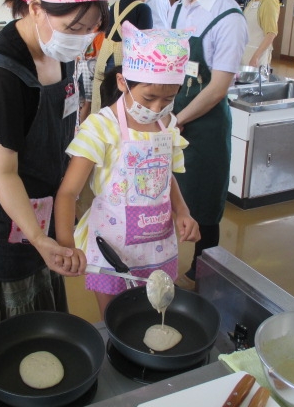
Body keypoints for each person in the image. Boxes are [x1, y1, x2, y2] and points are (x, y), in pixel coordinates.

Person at [0, 0, 109, 367]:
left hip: (43, 203)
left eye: (91, 27)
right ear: (35, 7)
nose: (82, 36)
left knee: (43, 324)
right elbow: (3, 174)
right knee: (4, 344)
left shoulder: (62, 49)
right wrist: (39, 238)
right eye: (74, 27)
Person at [55, 21, 199, 317]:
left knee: (153, 313)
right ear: (123, 82)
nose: (158, 106)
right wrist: (66, 246)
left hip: (157, 243)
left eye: (168, 99)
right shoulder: (101, 127)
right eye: (149, 98)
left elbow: (164, 175)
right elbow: (68, 192)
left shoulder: (167, 124)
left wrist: (182, 212)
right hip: (111, 245)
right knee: (116, 320)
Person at [166, 0, 248, 280]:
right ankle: (160, 264)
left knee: (205, 204)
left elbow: (217, 88)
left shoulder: (229, 19)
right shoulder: (177, 10)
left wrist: (177, 118)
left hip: (205, 128)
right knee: (163, 196)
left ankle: (205, 274)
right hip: (171, 118)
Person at [92, 0, 153, 112]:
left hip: (105, 58)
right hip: (124, 59)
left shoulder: (114, 6)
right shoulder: (143, 9)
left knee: (105, 96)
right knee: (120, 99)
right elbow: (145, 41)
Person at [240, 0, 281, 68]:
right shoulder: (254, 0)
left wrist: (256, 56)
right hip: (245, 53)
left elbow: (271, 33)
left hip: (256, 57)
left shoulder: (269, 2)